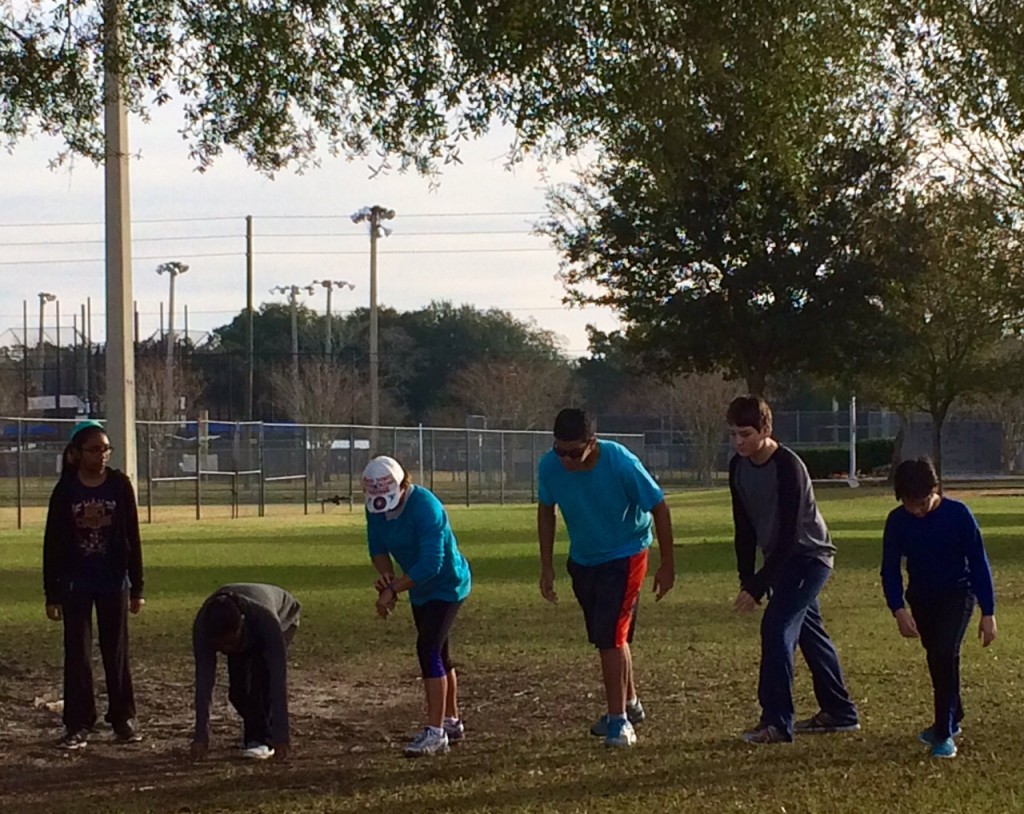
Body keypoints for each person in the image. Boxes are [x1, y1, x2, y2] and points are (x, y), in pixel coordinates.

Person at [537, 407, 676, 749]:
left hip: (626, 553)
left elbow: (658, 506)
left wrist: (667, 564)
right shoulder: (549, 466)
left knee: (609, 638)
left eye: (573, 452)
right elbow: (546, 511)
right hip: (584, 557)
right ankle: (630, 703)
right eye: (560, 451)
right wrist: (546, 566)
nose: (565, 460)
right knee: (613, 634)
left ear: (592, 443)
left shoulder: (619, 461)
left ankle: (619, 722)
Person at [726, 396, 859, 744]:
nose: (739, 442)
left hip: (808, 558)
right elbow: (744, 528)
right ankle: (840, 712)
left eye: (746, 433)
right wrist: (747, 578)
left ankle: (777, 723)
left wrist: (759, 585)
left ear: (766, 430)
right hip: (779, 561)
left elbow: (789, 534)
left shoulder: (788, 466)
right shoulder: (737, 468)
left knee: (776, 628)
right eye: (735, 435)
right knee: (810, 634)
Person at [881, 458, 997, 759]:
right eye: (909, 504)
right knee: (937, 659)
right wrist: (898, 609)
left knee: (945, 653)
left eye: (921, 503)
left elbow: (979, 563)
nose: (916, 511)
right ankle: (953, 712)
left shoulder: (958, 516)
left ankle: (943, 733)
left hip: (958, 594)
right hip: (921, 597)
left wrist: (988, 611)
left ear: (935, 491)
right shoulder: (897, 521)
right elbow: (890, 568)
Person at [43, 419, 145, 750]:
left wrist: (138, 587)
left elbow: (132, 536)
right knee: (78, 655)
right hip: (76, 583)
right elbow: (53, 543)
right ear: (76, 453)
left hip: (113, 581)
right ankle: (78, 723)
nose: (101, 455)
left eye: (105, 449)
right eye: (94, 449)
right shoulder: (66, 490)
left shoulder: (118, 485)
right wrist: (52, 593)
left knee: (116, 652)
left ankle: (123, 719)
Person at [363, 455, 472, 758]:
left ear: (402, 485)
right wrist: (387, 579)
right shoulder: (376, 507)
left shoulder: (425, 506)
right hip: (418, 589)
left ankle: (435, 732)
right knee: (440, 652)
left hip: (448, 585)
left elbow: (432, 563)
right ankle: (451, 721)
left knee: (428, 648)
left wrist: (394, 590)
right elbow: (377, 546)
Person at [190, 584, 300, 761]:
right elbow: (204, 682)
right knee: (238, 693)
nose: (227, 649)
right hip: (246, 630)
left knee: (261, 681)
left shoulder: (265, 621)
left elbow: (278, 681)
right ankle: (260, 729)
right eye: (221, 646)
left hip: (283, 616)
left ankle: (262, 739)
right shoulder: (203, 627)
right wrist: (200, 738)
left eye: (231, 643)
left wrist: (282, 736)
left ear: (241, 624)